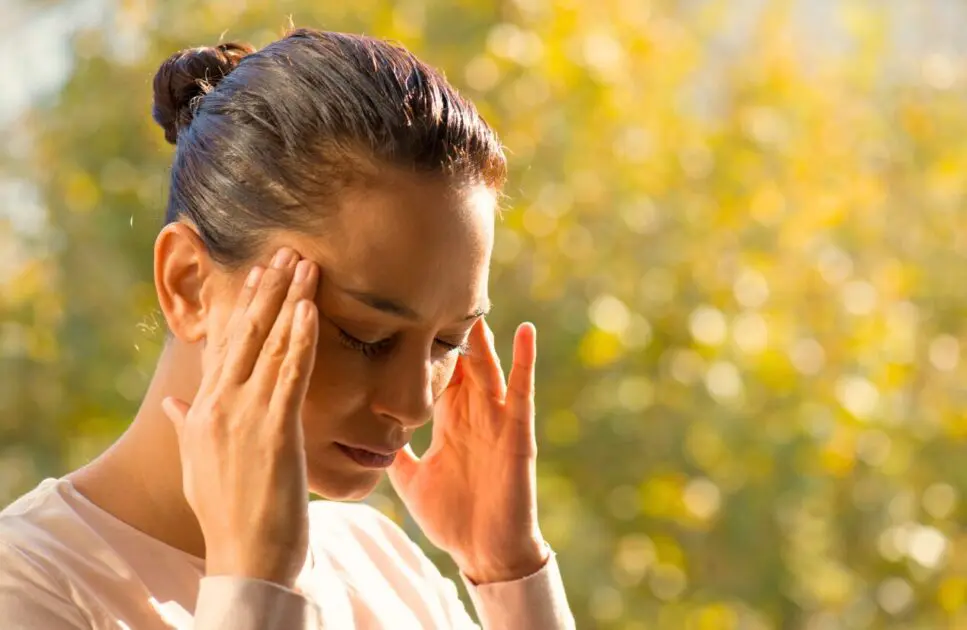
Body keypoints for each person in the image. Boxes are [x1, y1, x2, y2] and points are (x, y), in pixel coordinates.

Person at [0, 28, 574, 629]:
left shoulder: (381, 566)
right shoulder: (31, 589)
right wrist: (255, 582)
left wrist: (510, 573)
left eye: (445, 343)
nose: (413, 406)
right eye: (365, 336)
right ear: (189, 285)